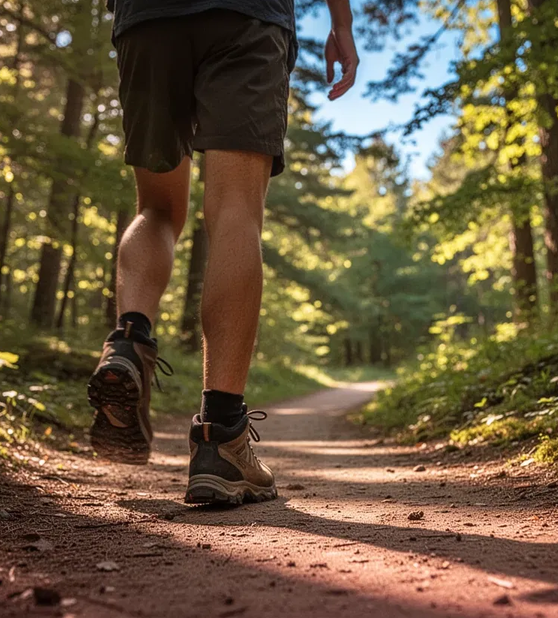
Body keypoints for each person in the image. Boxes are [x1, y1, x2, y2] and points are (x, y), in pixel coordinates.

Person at [87, 1, 359, 505]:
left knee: (157, 209)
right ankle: (221, 435)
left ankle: (128, 339)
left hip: (148, 18)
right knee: (236, 209)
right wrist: (341, 25)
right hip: (248, 15)